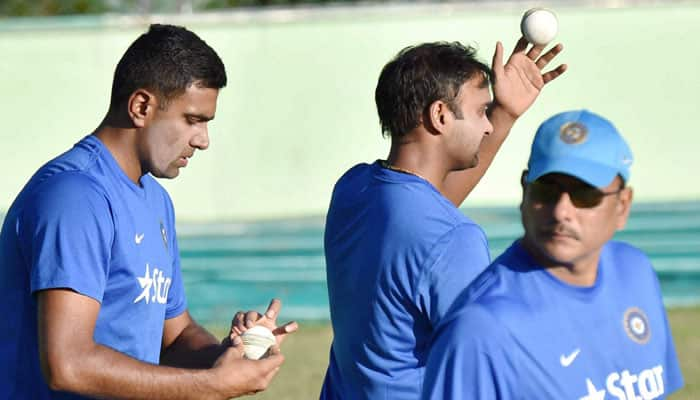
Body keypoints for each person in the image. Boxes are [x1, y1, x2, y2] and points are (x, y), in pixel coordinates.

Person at [0, 24, 295, 399]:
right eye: (193, 120)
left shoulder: (156, 202)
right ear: (141, 106)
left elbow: (174, 336)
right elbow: (67, 364)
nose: (203, 141)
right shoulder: (75, 197)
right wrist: (211, 386)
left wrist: (228, 355)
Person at [320, 38, 567, 399]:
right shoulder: (455, 238)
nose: (486, 127)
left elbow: (424, 209)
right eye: (482, 111)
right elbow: (481, 365)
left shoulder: (353, 188)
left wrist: (504, 112)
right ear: (440, 115)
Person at [422, 109, 684, 399]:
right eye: (547, 190)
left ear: (623, 205)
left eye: (585, 194)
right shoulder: (481, 329)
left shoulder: (636, 272)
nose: (561, 212)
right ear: (525, 191)